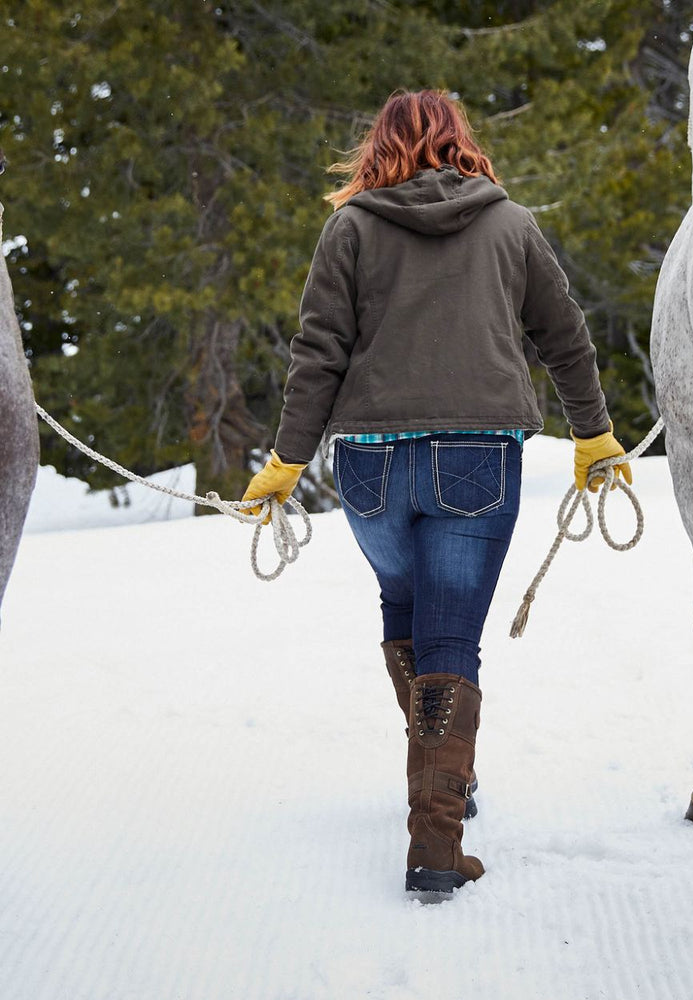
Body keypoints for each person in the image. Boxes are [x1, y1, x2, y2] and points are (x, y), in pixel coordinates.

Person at [242, 89, 631, 897]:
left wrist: (286, 459)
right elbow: (566, 338)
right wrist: (592, 433)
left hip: (371, 465)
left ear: (378, 146)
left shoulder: (350, 227)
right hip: (477, 457)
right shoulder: (510, 222)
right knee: (449, 637)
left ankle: (442, 783)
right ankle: (435, 845)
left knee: (406, 605)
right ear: (462, 143)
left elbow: (317, 353)